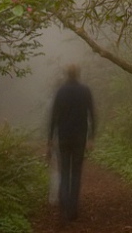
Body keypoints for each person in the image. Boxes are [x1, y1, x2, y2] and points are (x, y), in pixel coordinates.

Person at [47, 64, 96, 221]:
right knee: (75, 173)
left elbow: (54, 116)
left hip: (64, 137)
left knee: (65, 171)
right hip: (79, 138)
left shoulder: (61, 92)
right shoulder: (85, 91)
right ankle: (72, 210)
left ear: (67, 74)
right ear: (78, 74)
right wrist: (91, 137)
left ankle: (64, 207)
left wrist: (50, 139)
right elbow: (92, 115)